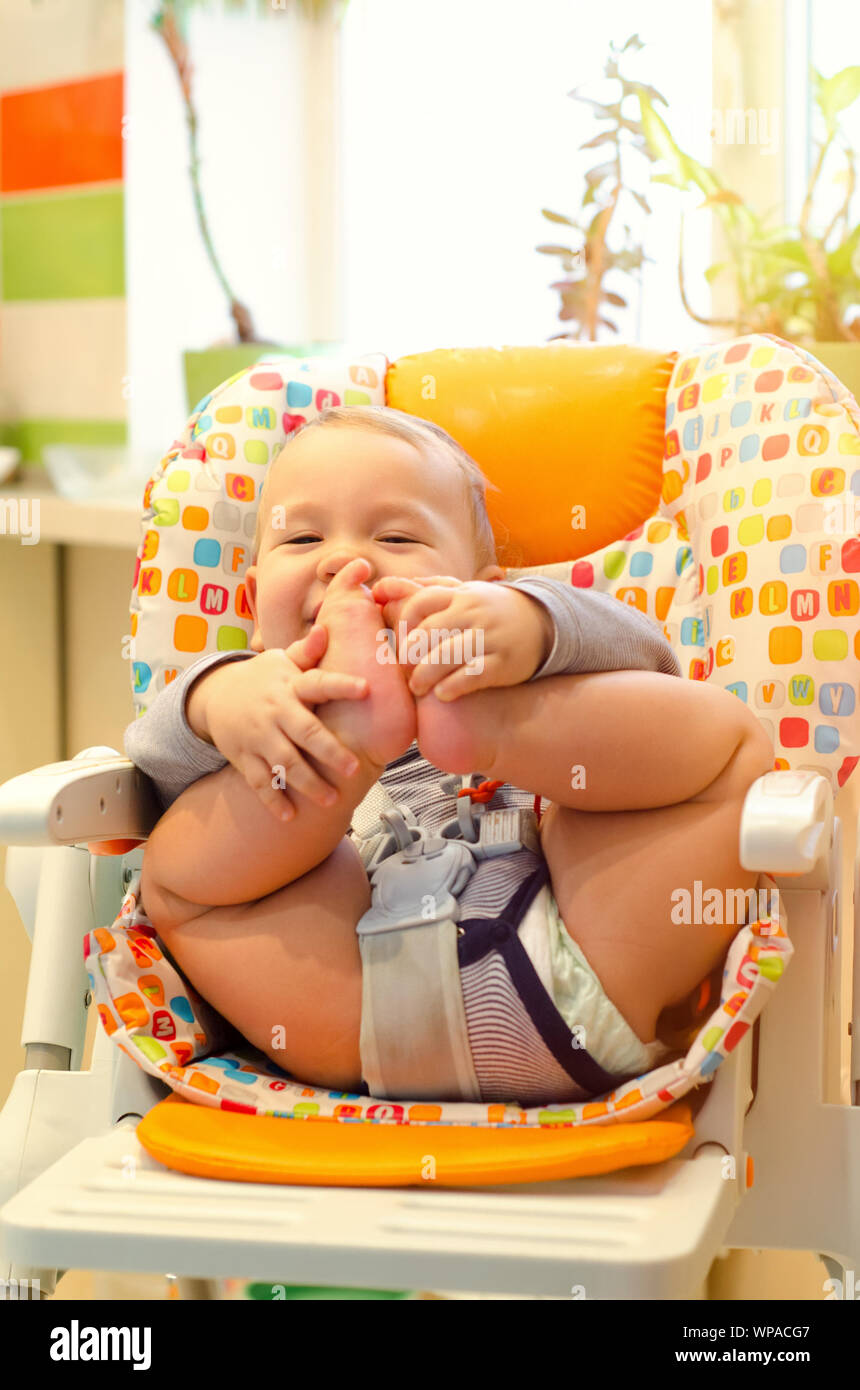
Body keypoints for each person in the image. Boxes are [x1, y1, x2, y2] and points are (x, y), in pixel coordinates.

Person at [129, 406, 774, 1099]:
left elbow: (652, 663)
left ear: (484, 589)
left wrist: (532, 629)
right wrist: (214, 700)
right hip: (342, 994)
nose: (347, 559)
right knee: (174, 868)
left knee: (726, 740)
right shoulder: (258, 702)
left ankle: (483, 728)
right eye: (304, 536)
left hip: (576, 950)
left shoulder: (528, 667)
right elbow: (153, 773)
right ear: (254, 606)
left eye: (398, 536)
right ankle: (354, 741)